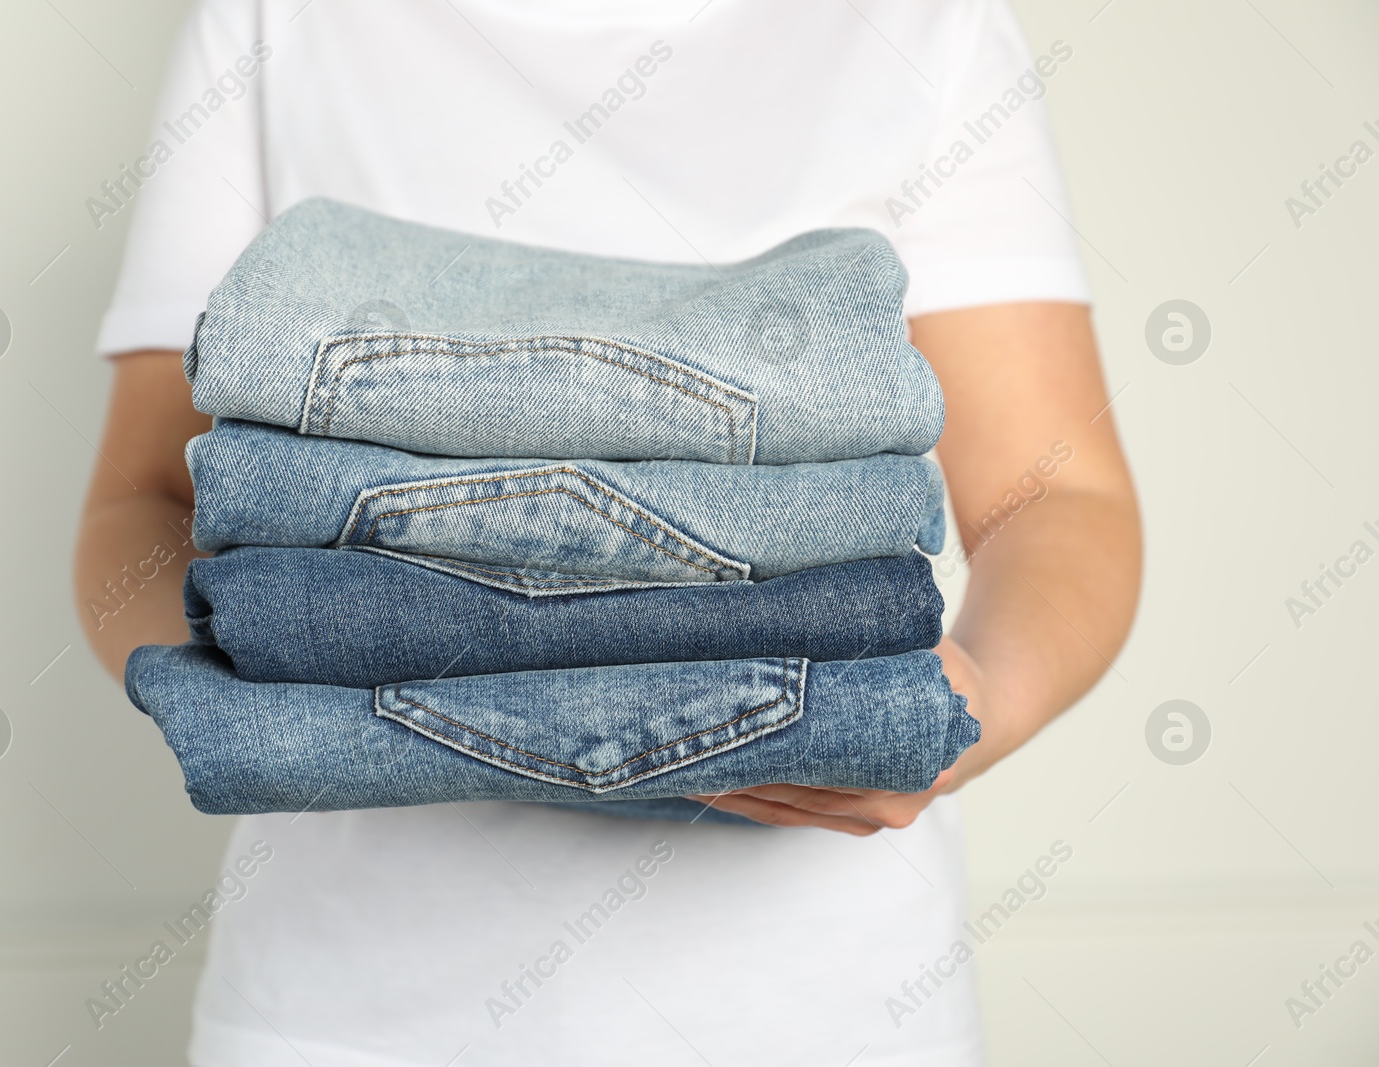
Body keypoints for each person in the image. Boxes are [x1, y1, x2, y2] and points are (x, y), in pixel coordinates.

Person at [74, 1, 1141, 1063]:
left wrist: (965, 709)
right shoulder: (277, 16)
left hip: (821, 1009)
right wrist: (239, 687)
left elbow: (1059, 495)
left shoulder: (925, 25)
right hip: (351, 1008)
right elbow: (148, 494)